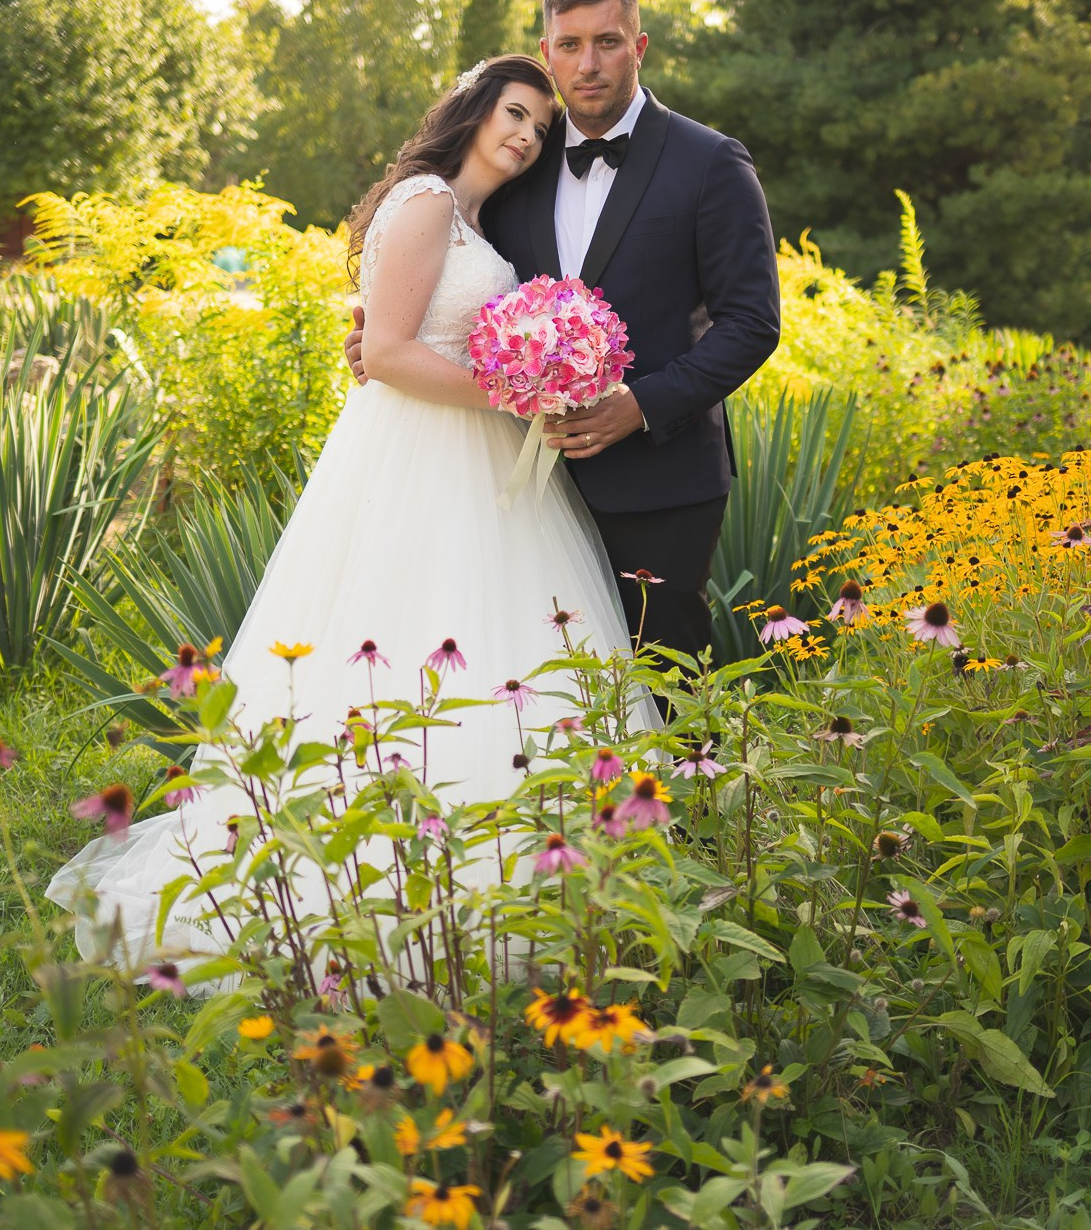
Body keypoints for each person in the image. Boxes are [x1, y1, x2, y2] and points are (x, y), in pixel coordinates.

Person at [45, 54, 659, 980]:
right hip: (421, 453)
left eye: (539, 123)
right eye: (514, 112)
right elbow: (389, 352)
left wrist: (539, 369)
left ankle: (518, 868)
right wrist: (520, 392)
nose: (529, 134)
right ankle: (372, 876)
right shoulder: (423, 202)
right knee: (404, 639)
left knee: (493, 641)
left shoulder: (476, 220)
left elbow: (402, 336)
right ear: (474, 109)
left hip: (479, 459)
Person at [348, 0, 783, 660]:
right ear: (547, 53)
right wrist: (386, 337)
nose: (589, 63)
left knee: (663, 688)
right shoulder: (522, 163)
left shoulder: (710, 163)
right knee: (539, 690)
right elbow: (466, 288)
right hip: (522, 489)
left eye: (607, 42)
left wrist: (637, 405)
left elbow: (752, 323)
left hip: (659, 483)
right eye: (570, 44)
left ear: (638, 48)